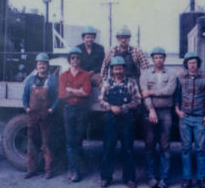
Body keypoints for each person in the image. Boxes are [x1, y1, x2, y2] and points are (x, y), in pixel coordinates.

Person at [174, 52, 205, 188]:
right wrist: (177, 110)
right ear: (186, 64)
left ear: (198, 64)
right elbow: (176, 96)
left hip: (200, 119)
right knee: (186, 149)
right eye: (189, 63)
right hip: (185, 118)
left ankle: (201, 178)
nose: (192, 65)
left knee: (201, 149)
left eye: (194, 62)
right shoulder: (181, 78)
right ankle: (186, 178)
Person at [99, 56, 141, 188]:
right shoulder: (107, 83)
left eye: (120, 68)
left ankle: (129, 178)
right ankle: (106, 177)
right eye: (115, 68)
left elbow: (137, 100)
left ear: (124, 69)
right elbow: (101, 100)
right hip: (110, 119)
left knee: (128, 149)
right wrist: (110, 107)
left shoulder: (131, 82)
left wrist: (125, 107)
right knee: (108, 148)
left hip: (127, 120)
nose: (118, 71)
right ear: (111, 70)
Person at [140, 47, 177, 188]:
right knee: (149, 144)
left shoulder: (172, 74)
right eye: (156, 57)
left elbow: (170, 91)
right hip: (149, 113)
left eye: (161, 57)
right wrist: (151, 110)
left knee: (165, 145)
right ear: (152, 59)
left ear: (164, 59)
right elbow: (144, 95)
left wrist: (151, 91)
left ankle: (164, 178)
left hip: (166, 112)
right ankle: (151, 177)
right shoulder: (145, 74)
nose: (158, 60)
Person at [22, 53, 58, 179]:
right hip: (32, 116)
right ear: (36, 66)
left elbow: (58, 97)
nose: (42, 66)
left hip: (46, 116)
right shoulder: (30, 80)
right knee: (31, 143)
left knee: (47, 144)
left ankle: (49, 170)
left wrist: (52, 109)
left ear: (47, 65)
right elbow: (24, 96)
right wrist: (26, 107)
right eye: (39, 64)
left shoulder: (53, 79)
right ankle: (31, 170)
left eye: (44, 64)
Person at [58, 47, 91, 182]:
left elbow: (87, 93)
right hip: (68, 109)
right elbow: (61, 95)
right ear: (69, 59)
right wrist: (79, 91)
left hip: (81, 110)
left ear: (80, 60)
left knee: (78, 140)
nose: (75, 60)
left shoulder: (85, 75)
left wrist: (71, 89)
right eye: (72, 57)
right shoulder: (63, 75)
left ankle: (76, 168)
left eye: (77, 57)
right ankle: (73, 170)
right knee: (70, 140)